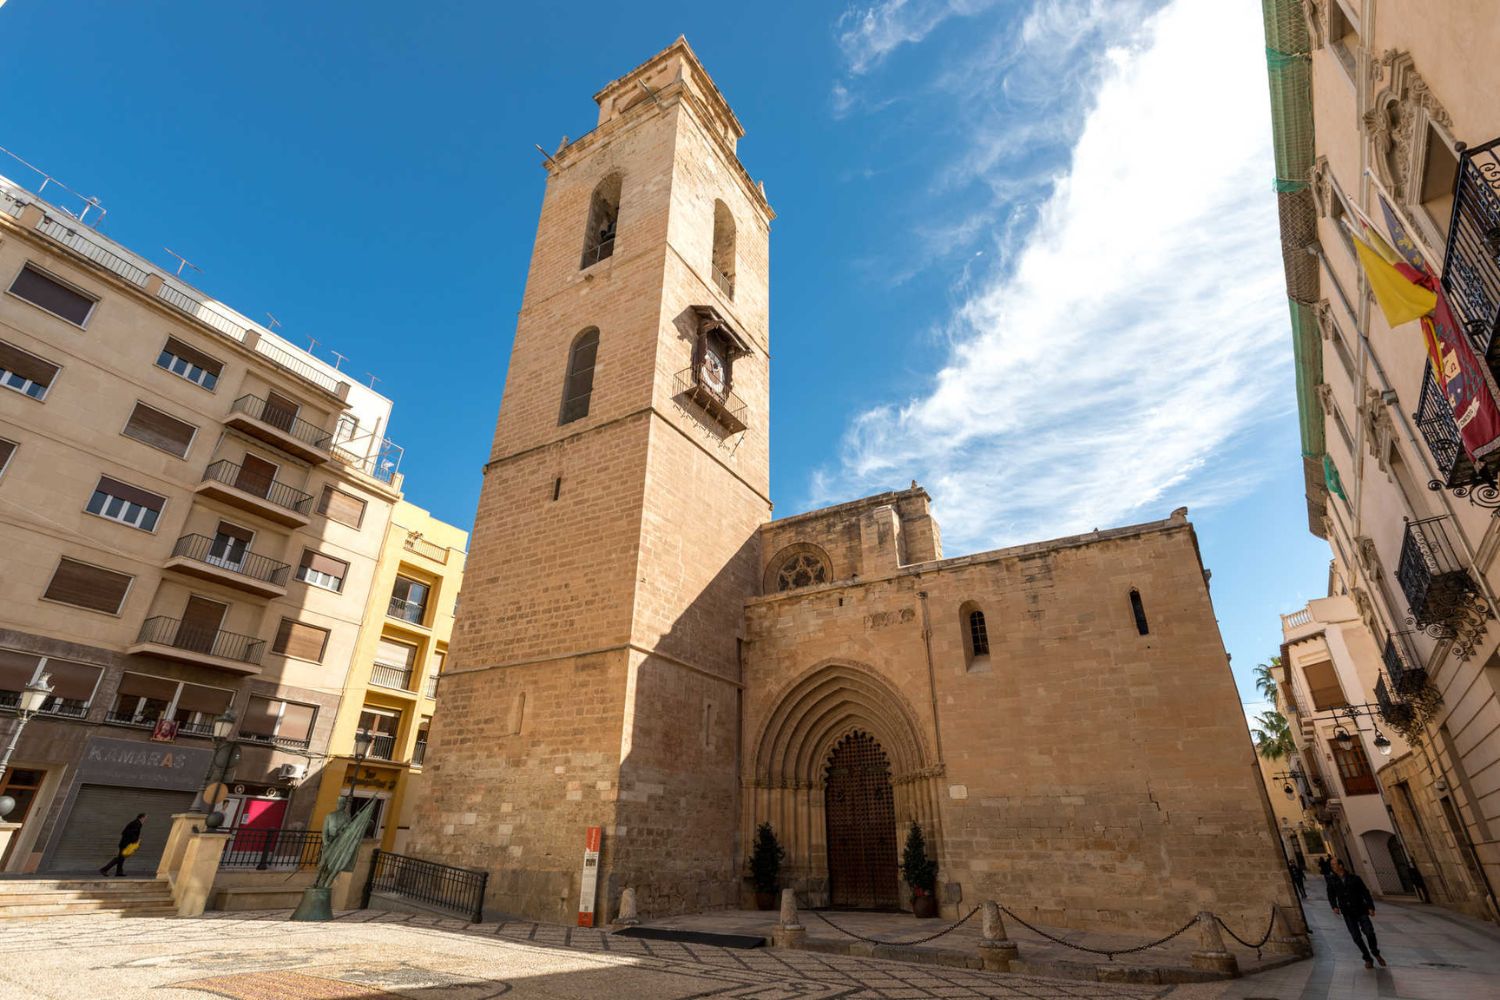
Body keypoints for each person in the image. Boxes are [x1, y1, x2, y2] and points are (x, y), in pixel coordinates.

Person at [1328, 857, 1384, 969]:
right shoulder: (1332, 880)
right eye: (1332, 865)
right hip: (1347, 912)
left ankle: (1375, 952)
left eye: (1334, 864)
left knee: (1369, 932)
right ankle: (1367, 957)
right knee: (1356, 937)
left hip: (1360, 909)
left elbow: (1365, 892)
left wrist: (1370, 906)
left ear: (1341, 865)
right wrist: (1334, 906)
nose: (1333, 867)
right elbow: (1331, 894)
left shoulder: (1354, 878)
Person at [99, 813, 145, 877]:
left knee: (121, 858)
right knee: (120, 858)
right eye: (145, 818)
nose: (145, 820)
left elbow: (124, 832)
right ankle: (104, 869)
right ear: (142, 817)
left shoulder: (134, 823)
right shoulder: (137, 823)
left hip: (124, 843)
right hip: (125, 843)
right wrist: (136, 840)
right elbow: (131, 833)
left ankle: (119, 872)